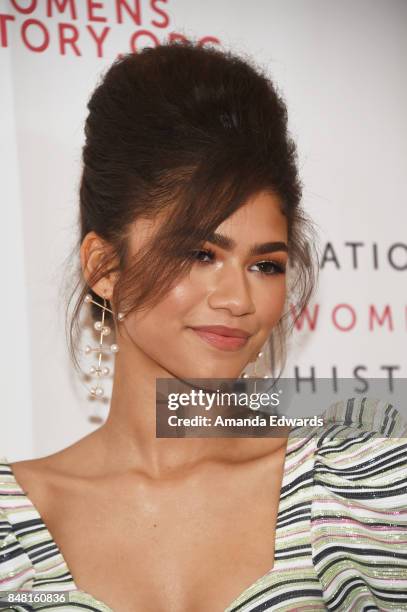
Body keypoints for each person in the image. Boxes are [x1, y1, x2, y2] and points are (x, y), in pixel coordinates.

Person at [1, 41, 406, 612]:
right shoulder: (11, 535)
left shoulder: (366, 490)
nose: (239, 299)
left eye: (265, 265)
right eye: (199, 254)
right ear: (104, 268)